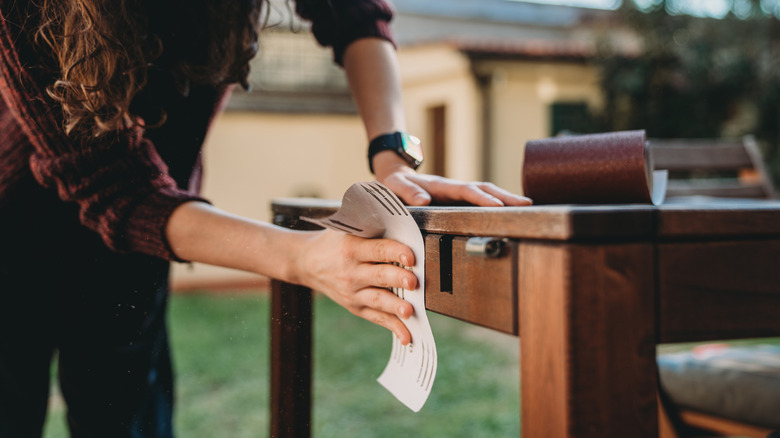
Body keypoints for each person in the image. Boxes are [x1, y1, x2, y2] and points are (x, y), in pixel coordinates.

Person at [0, 0, 531, 436]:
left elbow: (358, 16)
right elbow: (119, 189)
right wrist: (301, 258)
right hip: (16, 234)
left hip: (141, 250)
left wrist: (395, 156)